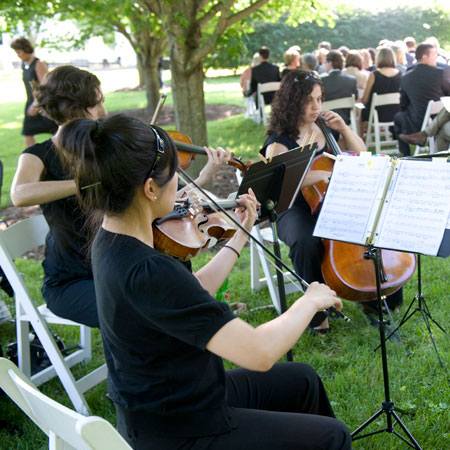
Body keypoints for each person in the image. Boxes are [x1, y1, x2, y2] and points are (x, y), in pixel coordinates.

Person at [55, 113, 351, 449]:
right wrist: (309, 301)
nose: (182, 188)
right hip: (181, 429)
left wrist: (240, 234)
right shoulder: (148, 269)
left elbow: (192, 290)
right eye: (175, 178)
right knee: (333, 436)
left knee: (303, 381)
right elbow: (259, 352)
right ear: (149, 189)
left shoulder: (112, 236)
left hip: (179, 395)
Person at [10, 65, 232, 329]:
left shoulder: (104, 151)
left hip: (117, 266)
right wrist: (87, 182)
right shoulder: (39, 154)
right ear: (75, 109)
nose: (104, 111)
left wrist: (203, 177)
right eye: (97, 104)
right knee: (143, 312)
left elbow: (147, 198)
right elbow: (19, 194)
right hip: (72, 281)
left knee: (175, 278)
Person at [261, 69, 365, 335]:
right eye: (309, 100)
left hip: (329, 201)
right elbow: (276, 184)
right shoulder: (279, 142)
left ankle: (372, 296)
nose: (316, 107)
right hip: (292, 207)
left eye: (319, 99)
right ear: (292, 101)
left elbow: (361, 153)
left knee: (367, 224)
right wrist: (316, 174)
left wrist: (343, 128)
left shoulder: (326, 127)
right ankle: (318, 316)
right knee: (306, 240)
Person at [394, 43, 450, 156]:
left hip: (418, 120)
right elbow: (448, 95)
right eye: (434, 55)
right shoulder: (440, 73)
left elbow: (403, 104)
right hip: (439, 117)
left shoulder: (406, 77)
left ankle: (406, 154)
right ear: (425, 57)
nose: (436, 57)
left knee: (398, 118)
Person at [10, 37, 57, 148]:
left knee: (57, 132)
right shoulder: (24, 65)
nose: (18, 55)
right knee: (27, 132)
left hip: (43, 104)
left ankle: (62, 157)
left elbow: (45, 87)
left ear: (26, 49)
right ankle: (32, 159)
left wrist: (36, 105)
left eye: (19, 52)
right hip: (30, 102)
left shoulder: (38, 64)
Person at [361, 46, 402, 124]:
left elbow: (365, 100)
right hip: (396, 113)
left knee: (361, 111)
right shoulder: (400, 75)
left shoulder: (374, 75)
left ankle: (360, 136)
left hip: (377, 114)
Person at [321, 50, 358, 124]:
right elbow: (355, 98)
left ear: (330, 63)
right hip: (346, 119)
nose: (324, 65)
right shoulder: (352, 80)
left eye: (325, 63)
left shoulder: (321, 81)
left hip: (325, 120)